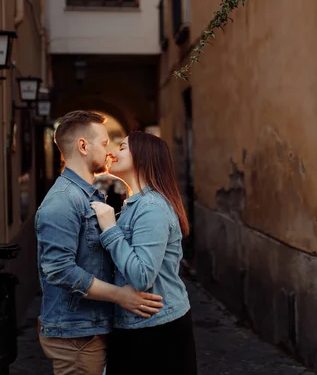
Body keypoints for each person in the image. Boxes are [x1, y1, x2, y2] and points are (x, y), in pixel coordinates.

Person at [36, 111, 163, 375]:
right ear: (83, 146)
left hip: (89, 329)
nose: (110, 152)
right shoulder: (63, 200)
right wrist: (121, 296)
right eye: (104, 144)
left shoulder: (87, 195)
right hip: (76, 335)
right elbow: (59, 269)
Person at [90, 131, 197, 375]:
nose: (112, 153)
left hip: (157, 330)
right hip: (139, 324)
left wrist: (110, 228)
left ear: (143, 156)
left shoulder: (152, 208)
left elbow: (141, 276)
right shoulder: (134, 204)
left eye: (123, 147)